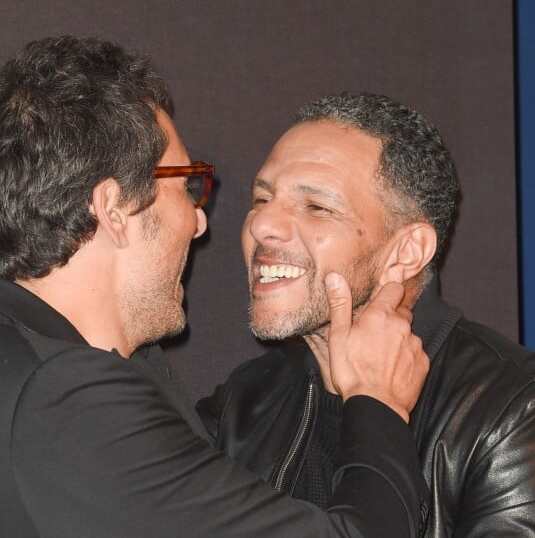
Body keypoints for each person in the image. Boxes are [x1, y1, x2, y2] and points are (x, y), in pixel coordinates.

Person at [0, 38, 430, 537]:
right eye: (186, 185)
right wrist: (377, 401)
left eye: (316, 206)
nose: (199, 222)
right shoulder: (69, 399)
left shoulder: (67, 366)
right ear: (113, 209)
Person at [197, 93, 535, 536]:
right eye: (262, 199)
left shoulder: (516, 413)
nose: (261, 225)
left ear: (407, 252)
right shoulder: (243, 403)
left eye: (317, 207)